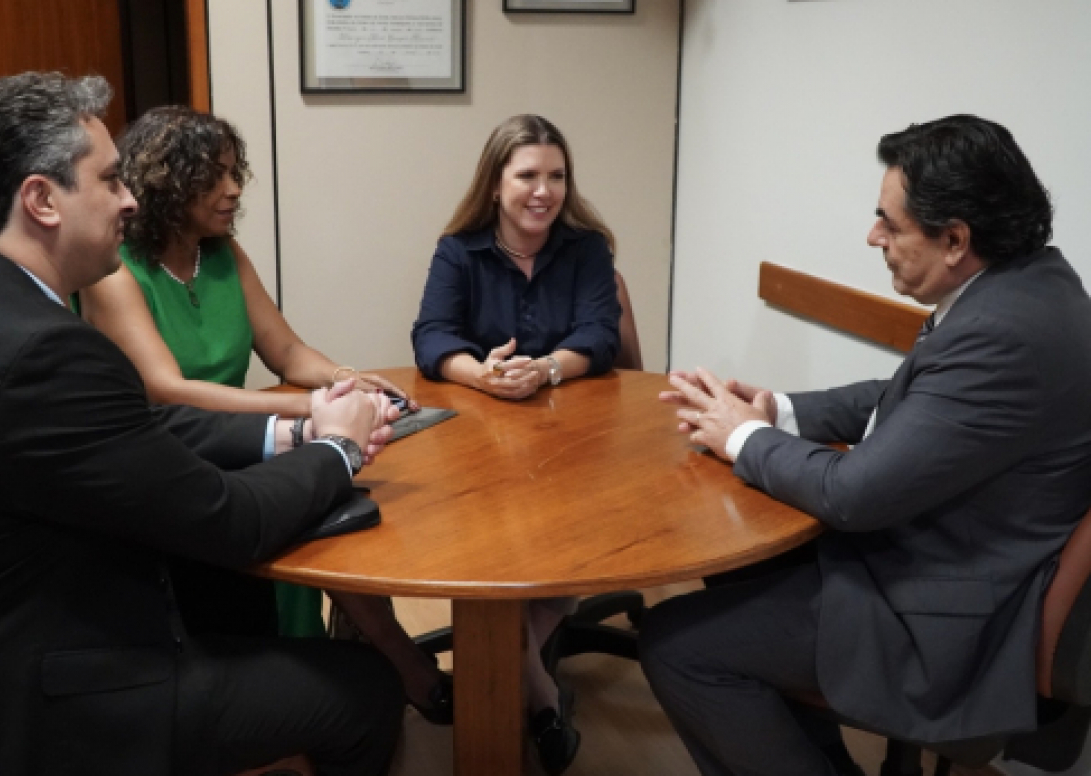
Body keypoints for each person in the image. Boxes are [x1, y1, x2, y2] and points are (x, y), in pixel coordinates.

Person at [0, 72, 404, 776]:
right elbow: (230, 522)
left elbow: (125, 436)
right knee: (365, 684)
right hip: (47, 696)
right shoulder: (42, 348)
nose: (130, 198)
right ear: (41, 200)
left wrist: (290, 436)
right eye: (108, 181)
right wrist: (342, 449)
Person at [640, 115, 1091, 776]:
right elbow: (912, 393)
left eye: (890, 223)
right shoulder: (1034, 285)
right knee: (738, 560)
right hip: (952, 553)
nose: (872, 235)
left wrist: (741, 435)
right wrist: (779, 412)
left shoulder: (1003, 332)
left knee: (676, 643)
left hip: (946, 614)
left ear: (955, 240)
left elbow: (852, 494)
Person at [78, 106, 451, 724]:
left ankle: (370, 654)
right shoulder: (114, 271)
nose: (234, 190)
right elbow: (168, 390)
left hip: (245, 433)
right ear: (170, 182)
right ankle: (392, 657)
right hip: (171, 453)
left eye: (234, 172)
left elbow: (285, 349)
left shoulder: (222, 254)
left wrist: (346, 379)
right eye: (215, 176)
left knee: (349, 494)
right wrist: (314, 409)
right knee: (323, 484)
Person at [410, 114, 622, 774]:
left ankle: (494, 680)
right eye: (528, 175)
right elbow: (430, 337)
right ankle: (542, 700)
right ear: (495, 183)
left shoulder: (586, 248)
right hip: (482, 445)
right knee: (498, 554)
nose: (544, 191)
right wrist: (479, 373)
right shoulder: (459, 250)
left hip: (573, 443)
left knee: (556, 560)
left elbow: (600, 335)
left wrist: (548, 368)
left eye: (556, 176)